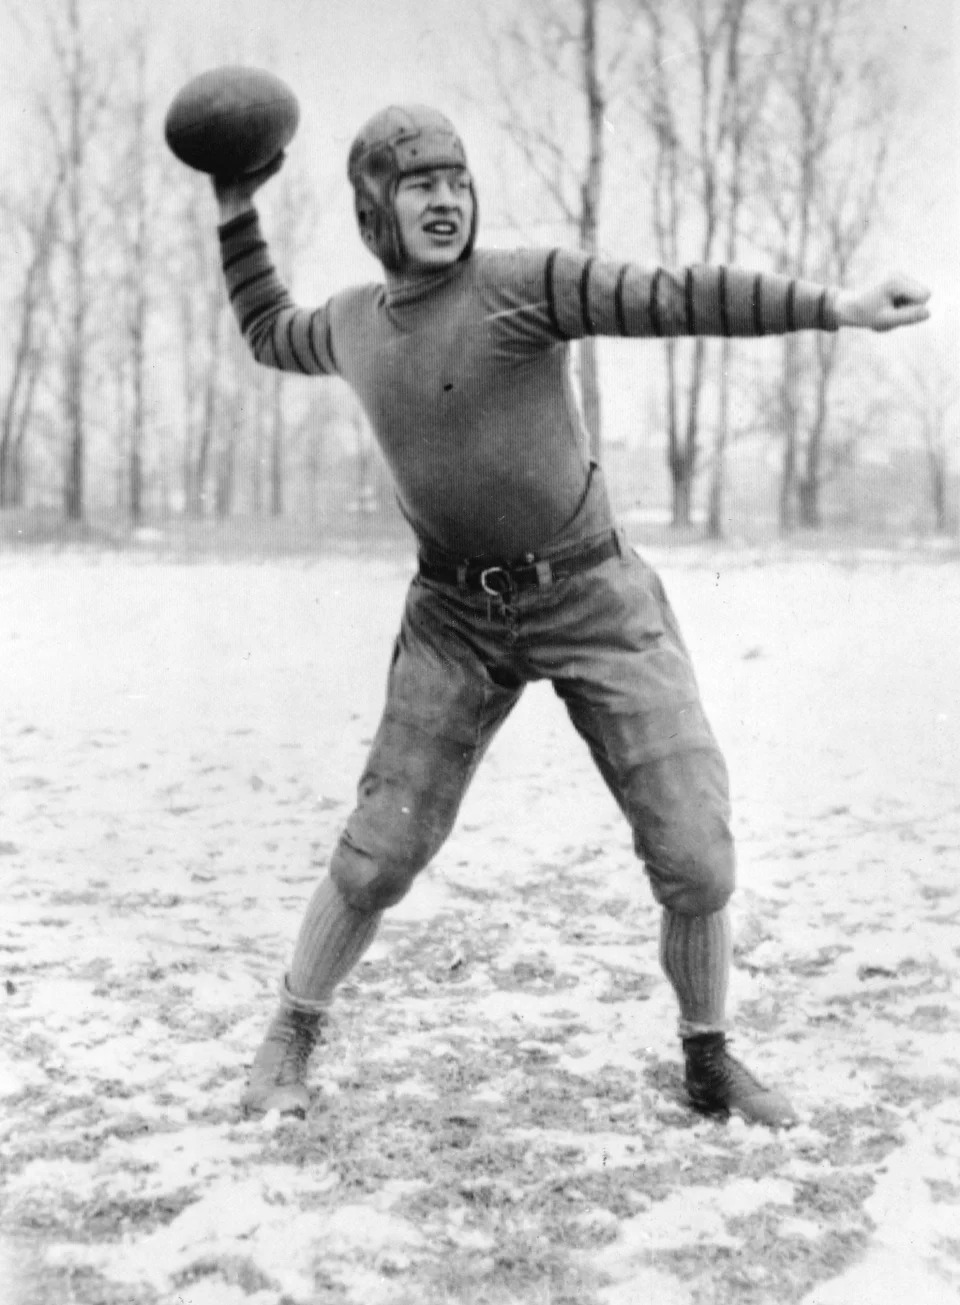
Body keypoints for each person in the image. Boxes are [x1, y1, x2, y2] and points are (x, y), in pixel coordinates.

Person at [212, 105, 930, 1127]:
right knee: (379, 851)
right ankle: (289, 1035)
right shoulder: (353, 324)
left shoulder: (521, 285)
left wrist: (837, 306)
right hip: (455, 616)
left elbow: (675, 298)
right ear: (375, 206)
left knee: (697, 856)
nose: (447, 199)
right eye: (420, 185)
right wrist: (235, 206)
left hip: (593, 593)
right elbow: (264, 327)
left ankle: (708, 1056)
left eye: (458, 180)